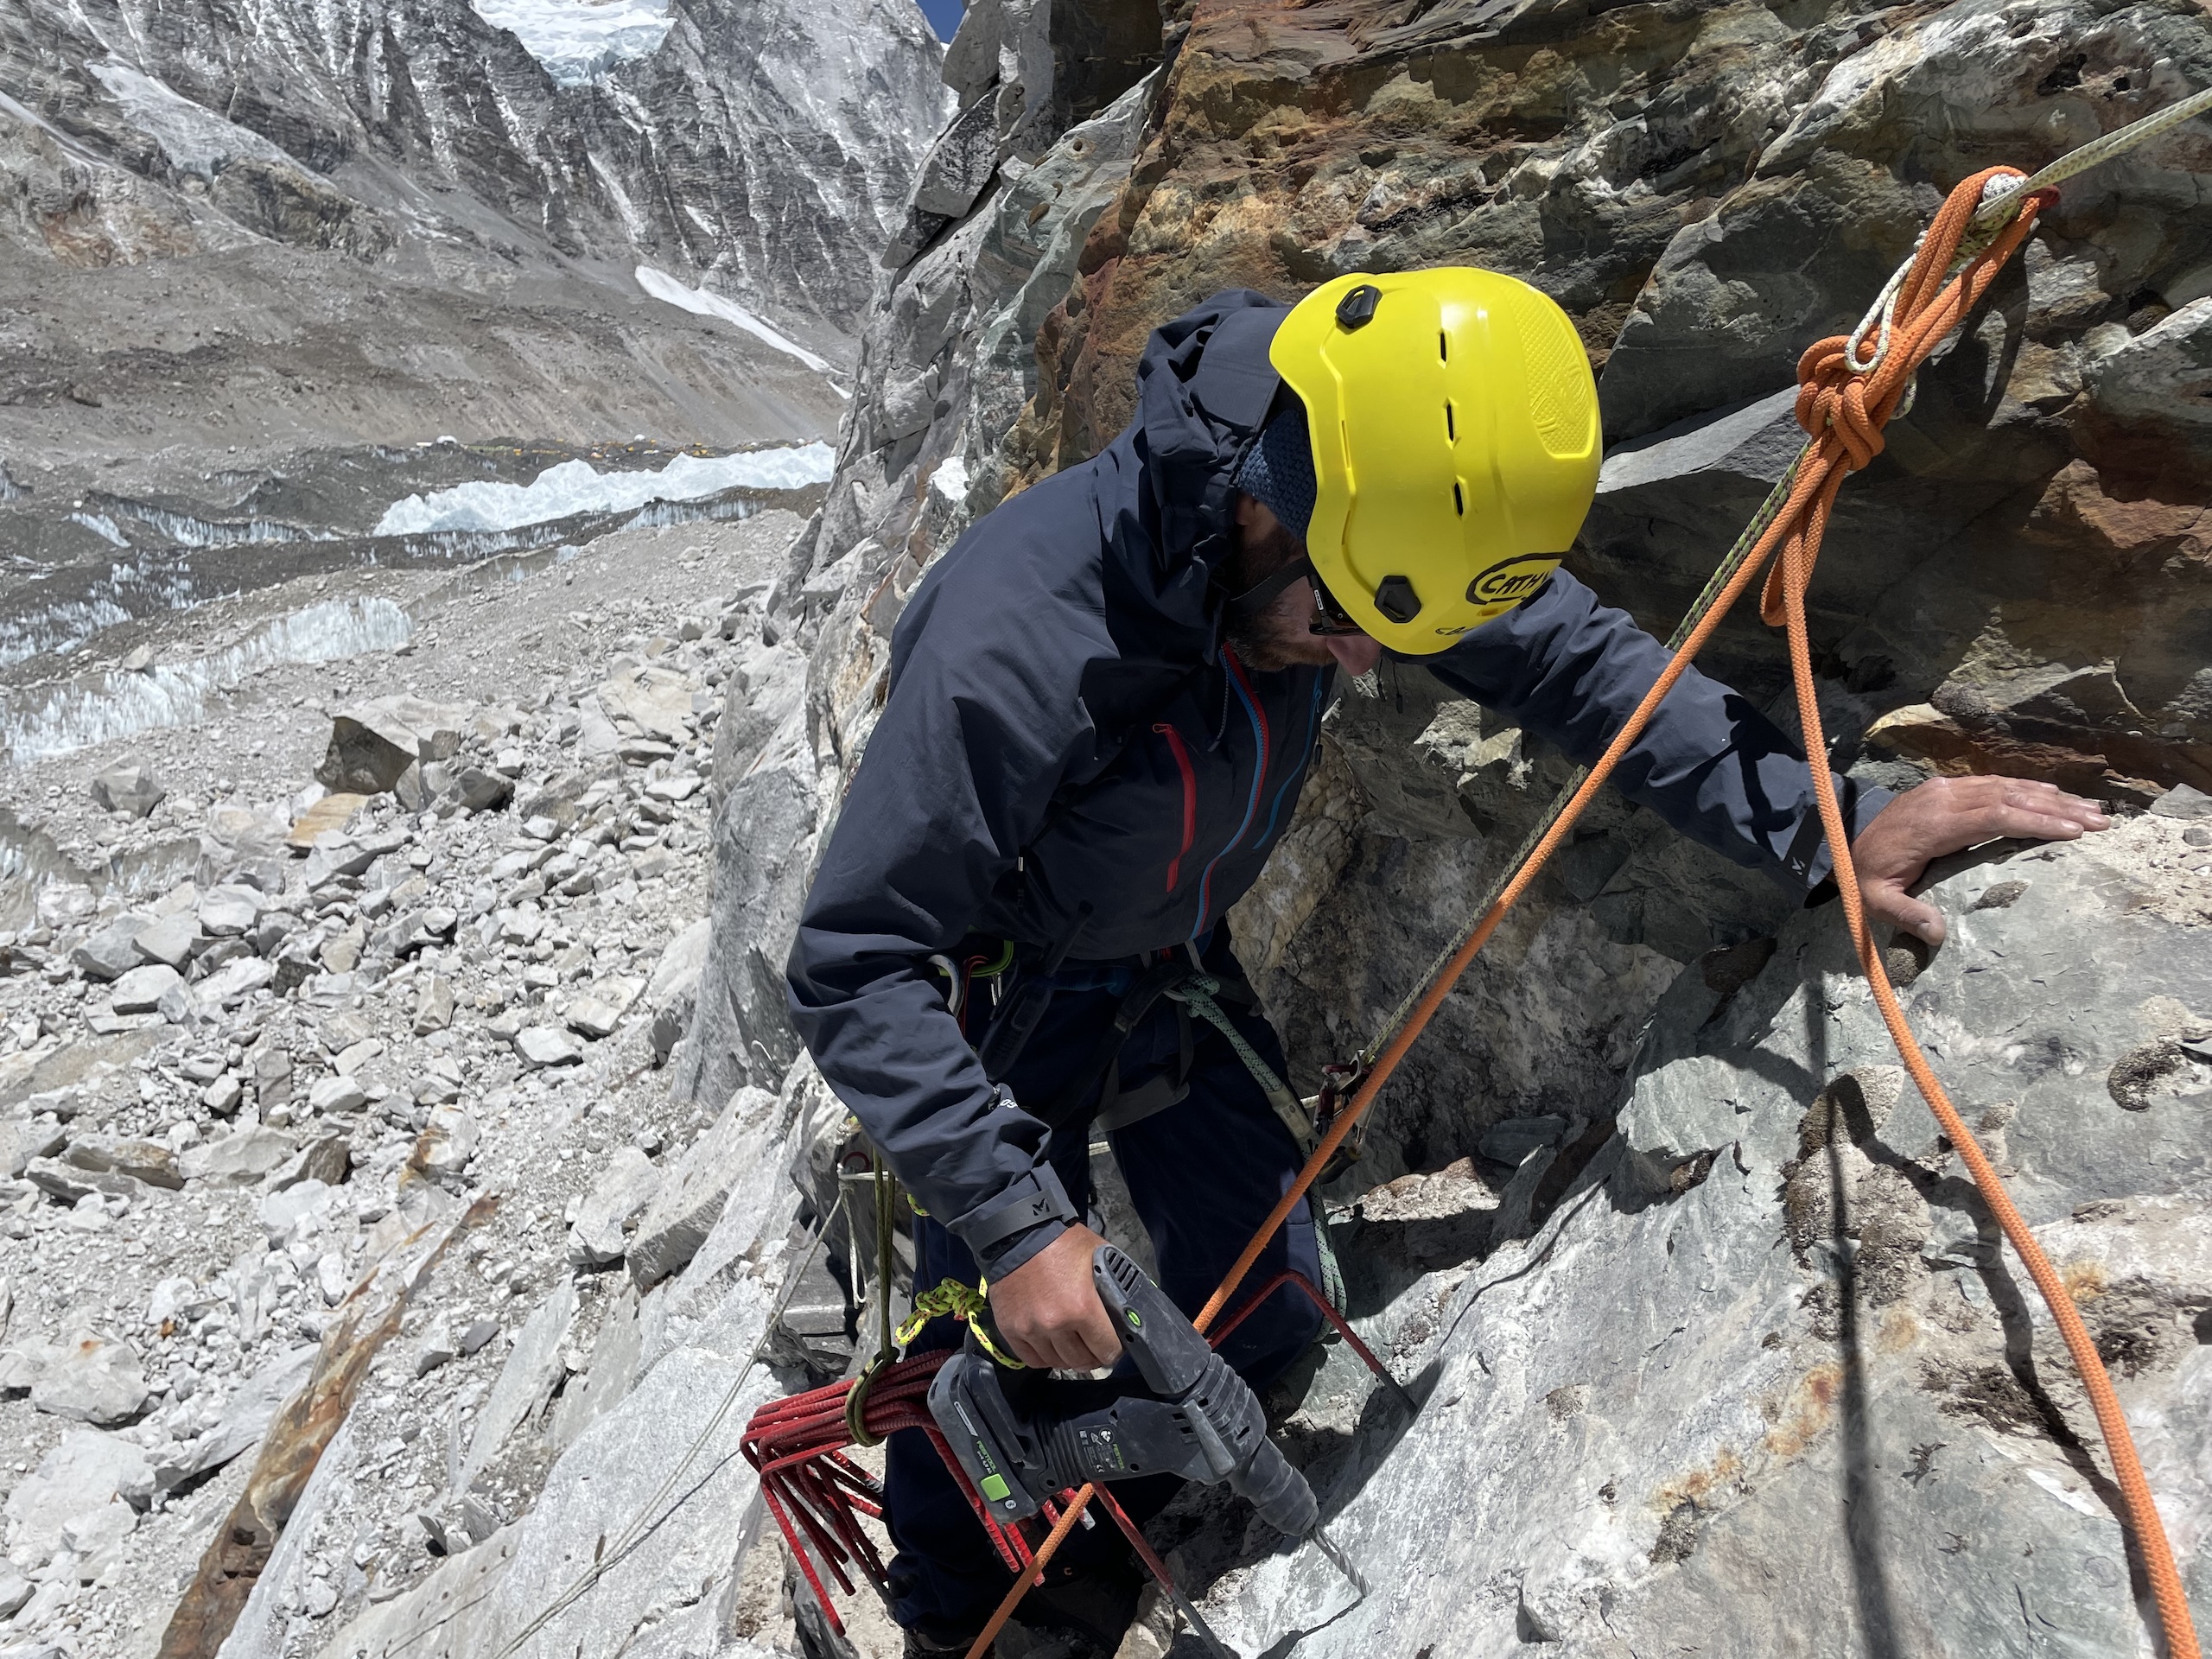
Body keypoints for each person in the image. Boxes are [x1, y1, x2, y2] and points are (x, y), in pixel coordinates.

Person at [785, 270, 2107, 1655]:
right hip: (1007, 990)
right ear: (1257, 511)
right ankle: (985, 1618)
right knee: (998, 1342)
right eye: (1340, 625)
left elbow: (1587, 670)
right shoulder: (1021, 627)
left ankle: (1152, 1494)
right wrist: (1010, 1223)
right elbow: (858, 955)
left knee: (1274, 1298)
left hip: (1170, 956)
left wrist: (1824, 822)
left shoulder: (1377, 492)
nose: (1358, 669)